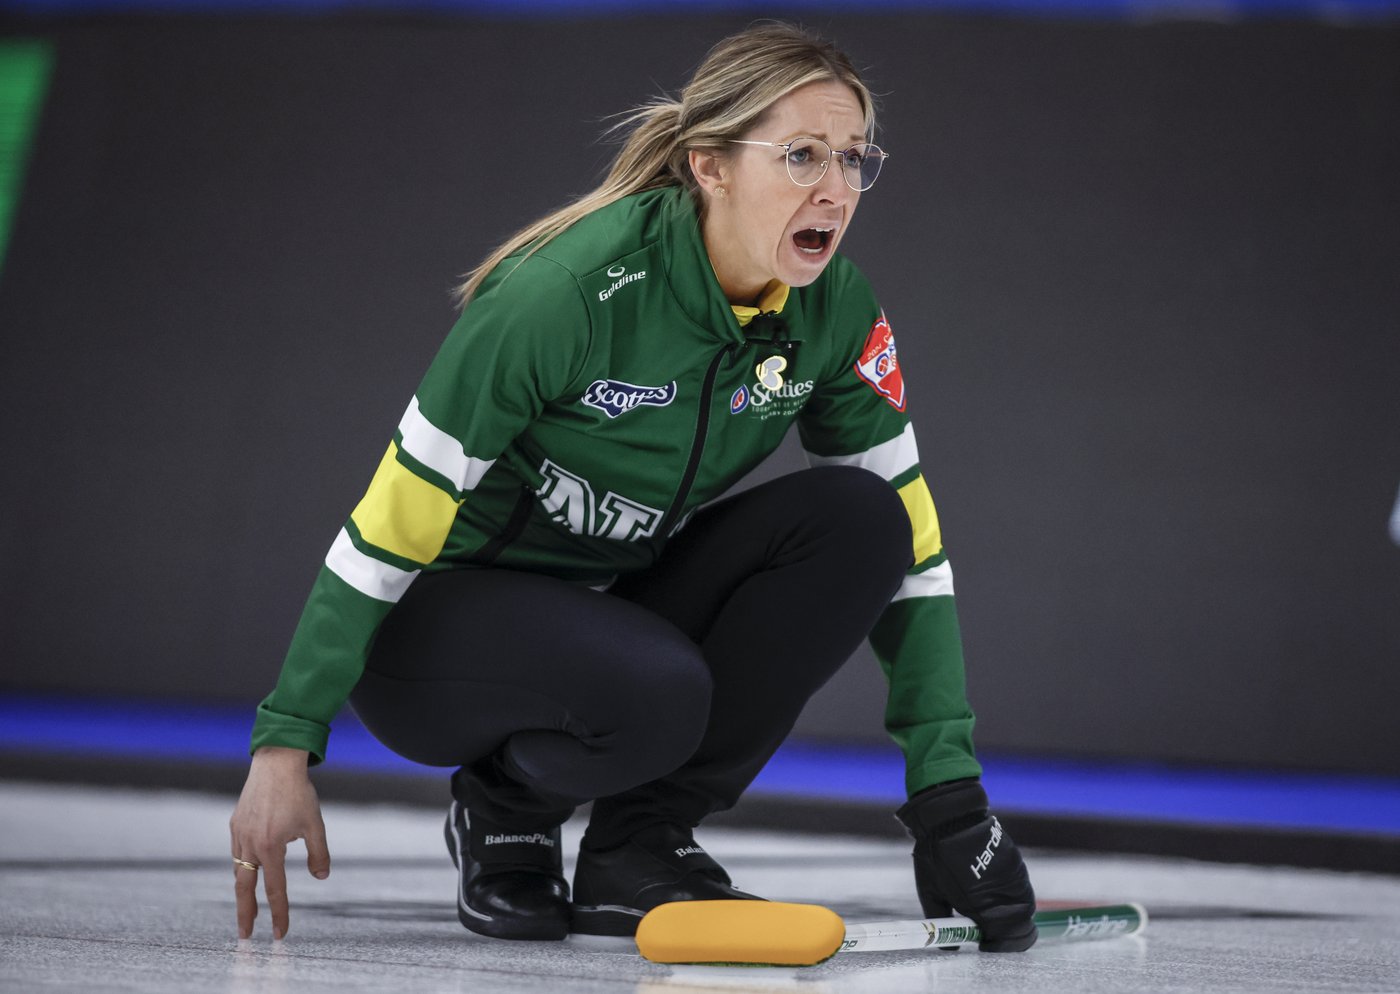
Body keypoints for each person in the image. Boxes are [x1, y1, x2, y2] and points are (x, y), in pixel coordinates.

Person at [228, 21, 1038, 951]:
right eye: (802, 155)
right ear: (711, 166)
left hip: (604, 613)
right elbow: (390, 522)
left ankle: (636, 848)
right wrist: (284, 743)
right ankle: (504, 808)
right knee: (656, 691)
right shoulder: (564, 295)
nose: (835, 189)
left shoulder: (836, 312)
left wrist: (948, 799)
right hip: (431, 630)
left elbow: (917, 555)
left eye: (854, 160)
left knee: (862, 521)